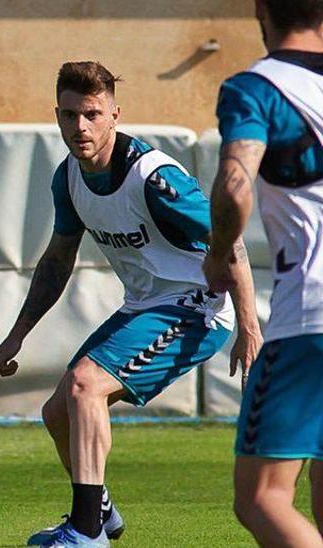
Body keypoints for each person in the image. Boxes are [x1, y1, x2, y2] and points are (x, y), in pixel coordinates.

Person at [0, 61, 261, 548]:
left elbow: (230, 240)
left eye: (92, 114)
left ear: (115, 114)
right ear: (57, 115)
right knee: (57, 414)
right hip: (144, 306)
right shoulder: (68, 178)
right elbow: (56, 262)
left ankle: (86, 532)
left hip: (198, 306)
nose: (80, 127)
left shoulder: (154, 178)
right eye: (70, 115)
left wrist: (249, 326)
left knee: (84, 386)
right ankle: (103, 513)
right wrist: (17, 335)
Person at [207, 1, 323, 545]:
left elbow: (235, 187)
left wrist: (218, 251)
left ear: (260, 8)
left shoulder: (255, 88)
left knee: (261, 496)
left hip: (310, 321)